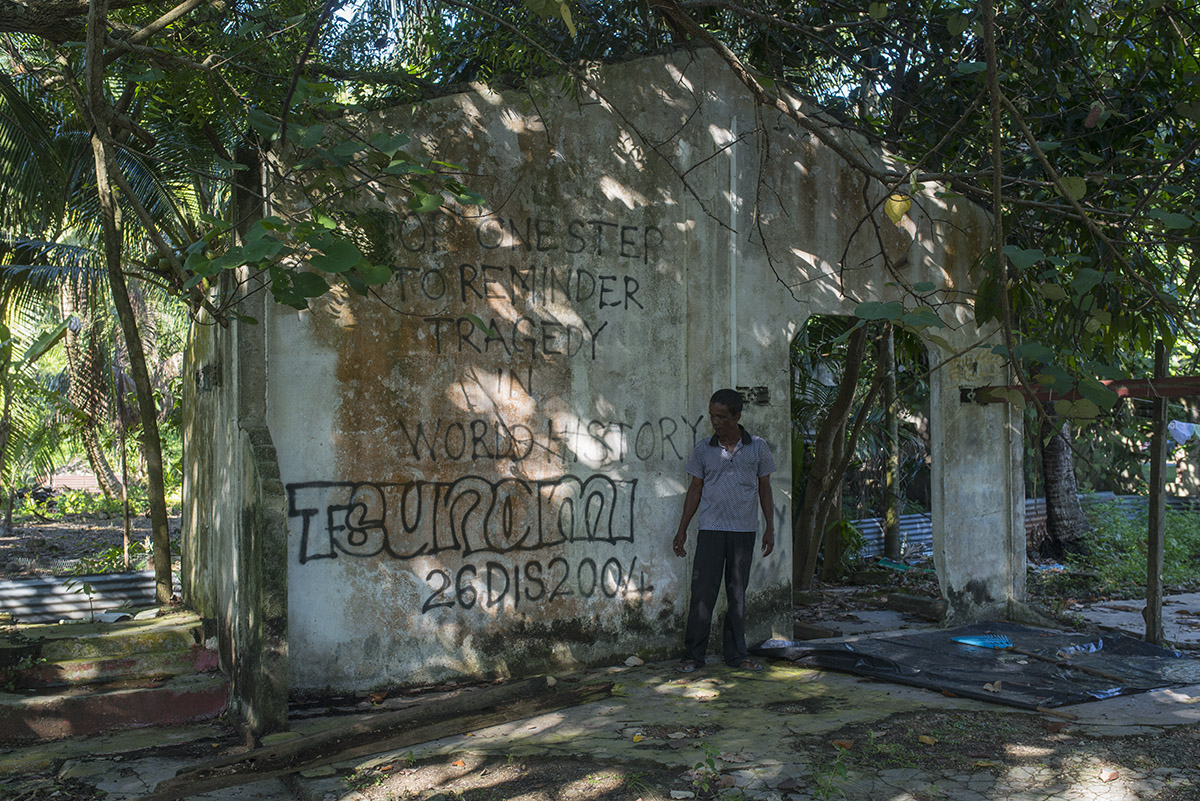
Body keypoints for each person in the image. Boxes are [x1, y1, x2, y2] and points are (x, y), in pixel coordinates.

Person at [672, 388, 776, 673]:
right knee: (702, 594)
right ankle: (693, 656)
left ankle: (736, 655)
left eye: (721, 417)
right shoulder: (703, 449)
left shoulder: (757, 447)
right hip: (710, 530)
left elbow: (765, 488)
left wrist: (770, 527)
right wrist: (682, 530)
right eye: (711, 416)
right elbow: (695, 490)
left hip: (744, 531)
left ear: (737, 416)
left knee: (737, 594)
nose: (715, 422)